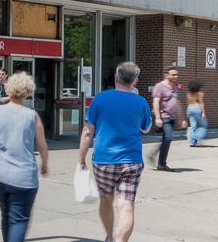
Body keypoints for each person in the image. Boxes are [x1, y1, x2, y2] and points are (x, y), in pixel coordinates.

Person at [78, 62, 152, 242]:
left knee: (106, 199)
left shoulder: (101, 98)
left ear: (116, 78)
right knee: (126, 206)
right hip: (132, 162)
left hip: (104, 161)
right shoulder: (140, 102)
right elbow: (146, 128)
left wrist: (81, 159)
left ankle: (110, 237)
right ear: (135, 81)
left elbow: (88, 131)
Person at [0, 71, 48, 242]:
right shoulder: (32, 115)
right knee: (19, 219)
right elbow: (42, 146)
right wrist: (44, 164)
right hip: (24, 179)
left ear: (9, 90)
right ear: (28, 91)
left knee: (6, 213)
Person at [148, 66, 185, 171]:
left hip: (172, 117)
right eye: (173, 75)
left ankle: (161, 163)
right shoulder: (159, 86)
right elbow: (155, 102)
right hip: (164, 116)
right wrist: (158, 118)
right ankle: (160, 161)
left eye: (177, 74)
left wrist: (181, 118)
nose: (176, 76)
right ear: (166, 75)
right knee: (168, 138)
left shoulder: (174, 88)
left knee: (166, 139)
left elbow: (177, 103)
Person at [185, 78, 208, 147]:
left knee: (193, 126)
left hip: (190, 108)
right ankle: (197, 137)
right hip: (197, 108)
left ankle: (192, 143)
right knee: (204, 125)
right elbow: (201, 103)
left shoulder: (189, 93)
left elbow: (188, 102)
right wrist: (203, 112)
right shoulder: (200, 93)